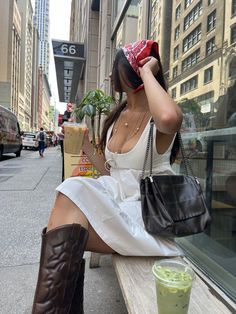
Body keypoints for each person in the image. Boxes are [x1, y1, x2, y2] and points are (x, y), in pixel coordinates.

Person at [32, 40, 183, 313]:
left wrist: (148, 72)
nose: (111, 75)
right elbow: (112, 173)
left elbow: (170, 119)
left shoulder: (158, 117)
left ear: (131, 70)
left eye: (116, 67)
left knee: (65, 233)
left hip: (146, 215)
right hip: (116, 205)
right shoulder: (116, 117)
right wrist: (87, 147)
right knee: (69, 198)